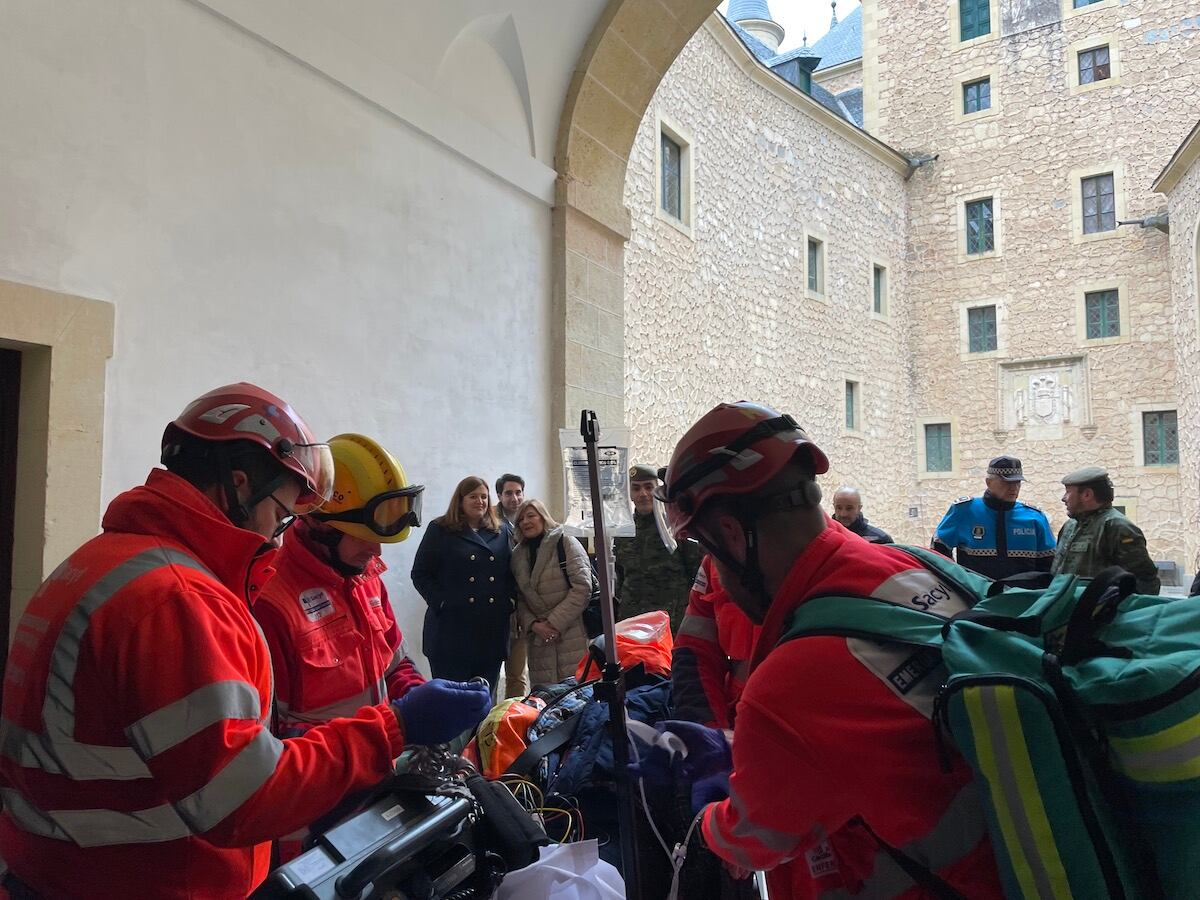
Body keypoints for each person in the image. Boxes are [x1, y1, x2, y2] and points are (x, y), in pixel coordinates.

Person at [0, 384, 492, 900]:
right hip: (145, 879)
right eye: (282, 512)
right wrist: (396, 727)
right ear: (239, 484)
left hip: (68, 871)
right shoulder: (176, 598)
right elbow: (243, 796)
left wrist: (406, 701)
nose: (279, 535)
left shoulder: (107, 563)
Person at [656, 401, 1002, 899]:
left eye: (709, 550)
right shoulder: (916, 564)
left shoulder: (794, 681)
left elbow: (751, 839)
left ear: (731, 533)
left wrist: (707, 823)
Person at [254, 433, 427, 737]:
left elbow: (394, 665)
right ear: (320, 524)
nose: (377, 553)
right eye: (366, 538)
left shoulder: (364, 575)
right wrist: (388, 731)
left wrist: (422, 700)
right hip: (327, 779)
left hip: (379, 764)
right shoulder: (270, 601)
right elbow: (272, 737)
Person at [412, 476, 516, 690]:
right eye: (473, 496)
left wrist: (509, 602)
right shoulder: (440, 529)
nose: (480, 501)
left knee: (484, 701)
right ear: (460, 500)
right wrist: (441, 602)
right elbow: (420, 573)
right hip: (451, 631)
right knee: (452, 703)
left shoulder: (501, 530)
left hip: (491, 630)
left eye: (484, 497)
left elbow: (511, 571)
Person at [510, 499, 592, 688]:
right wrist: (534, 625)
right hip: (539, 641)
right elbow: (519, 598)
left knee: (576, 694)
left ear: (543, 517)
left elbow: (582, 587)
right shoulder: (517, 555)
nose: (525, 522)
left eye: (531, 515)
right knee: (545, 699)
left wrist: (553, 623)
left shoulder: (565, 541)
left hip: (571, 634)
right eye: (520, 519)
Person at [932, 455, 1055, 580]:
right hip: (976, 595)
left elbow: (1049, 565)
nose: (1013, 488)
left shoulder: (1035, 518)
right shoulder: (964, 511)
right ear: (988, 482)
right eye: (1006, 482)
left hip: (1022, 596)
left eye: (1017, 482)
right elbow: (938, 551)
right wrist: (956, 579)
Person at [672, 554, 760, 730]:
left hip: (798, 737)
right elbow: (694, 654)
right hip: (734, 724)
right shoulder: (715, 563)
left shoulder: (822, 559)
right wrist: (710, 731)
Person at [614, 464, 702, 631]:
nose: (643, 494)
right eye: (636, 488)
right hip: (633, 620)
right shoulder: (623, 531)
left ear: (658, 491)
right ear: (630, 494)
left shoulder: (675, 527)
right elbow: (619, 575)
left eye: (649, 487)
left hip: (670, 620)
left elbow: (696, 573)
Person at [1052, 466, 1161, 594]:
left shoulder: (1118, 527)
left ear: (1087, 495)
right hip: (1066, 605)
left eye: (1068, 492)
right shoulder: (1070, 526)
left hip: (1098, 608)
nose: (1064, 498)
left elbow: (1145, 580)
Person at [495, 474, 529, 698]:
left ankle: (513, 718)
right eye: (508, 493)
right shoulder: (489, 522)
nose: (514, 498)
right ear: (499, 495)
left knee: (516, 673)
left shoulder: (529, 520)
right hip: (495, 607)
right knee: (489, 673)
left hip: (522, 607)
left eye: (518, 492)